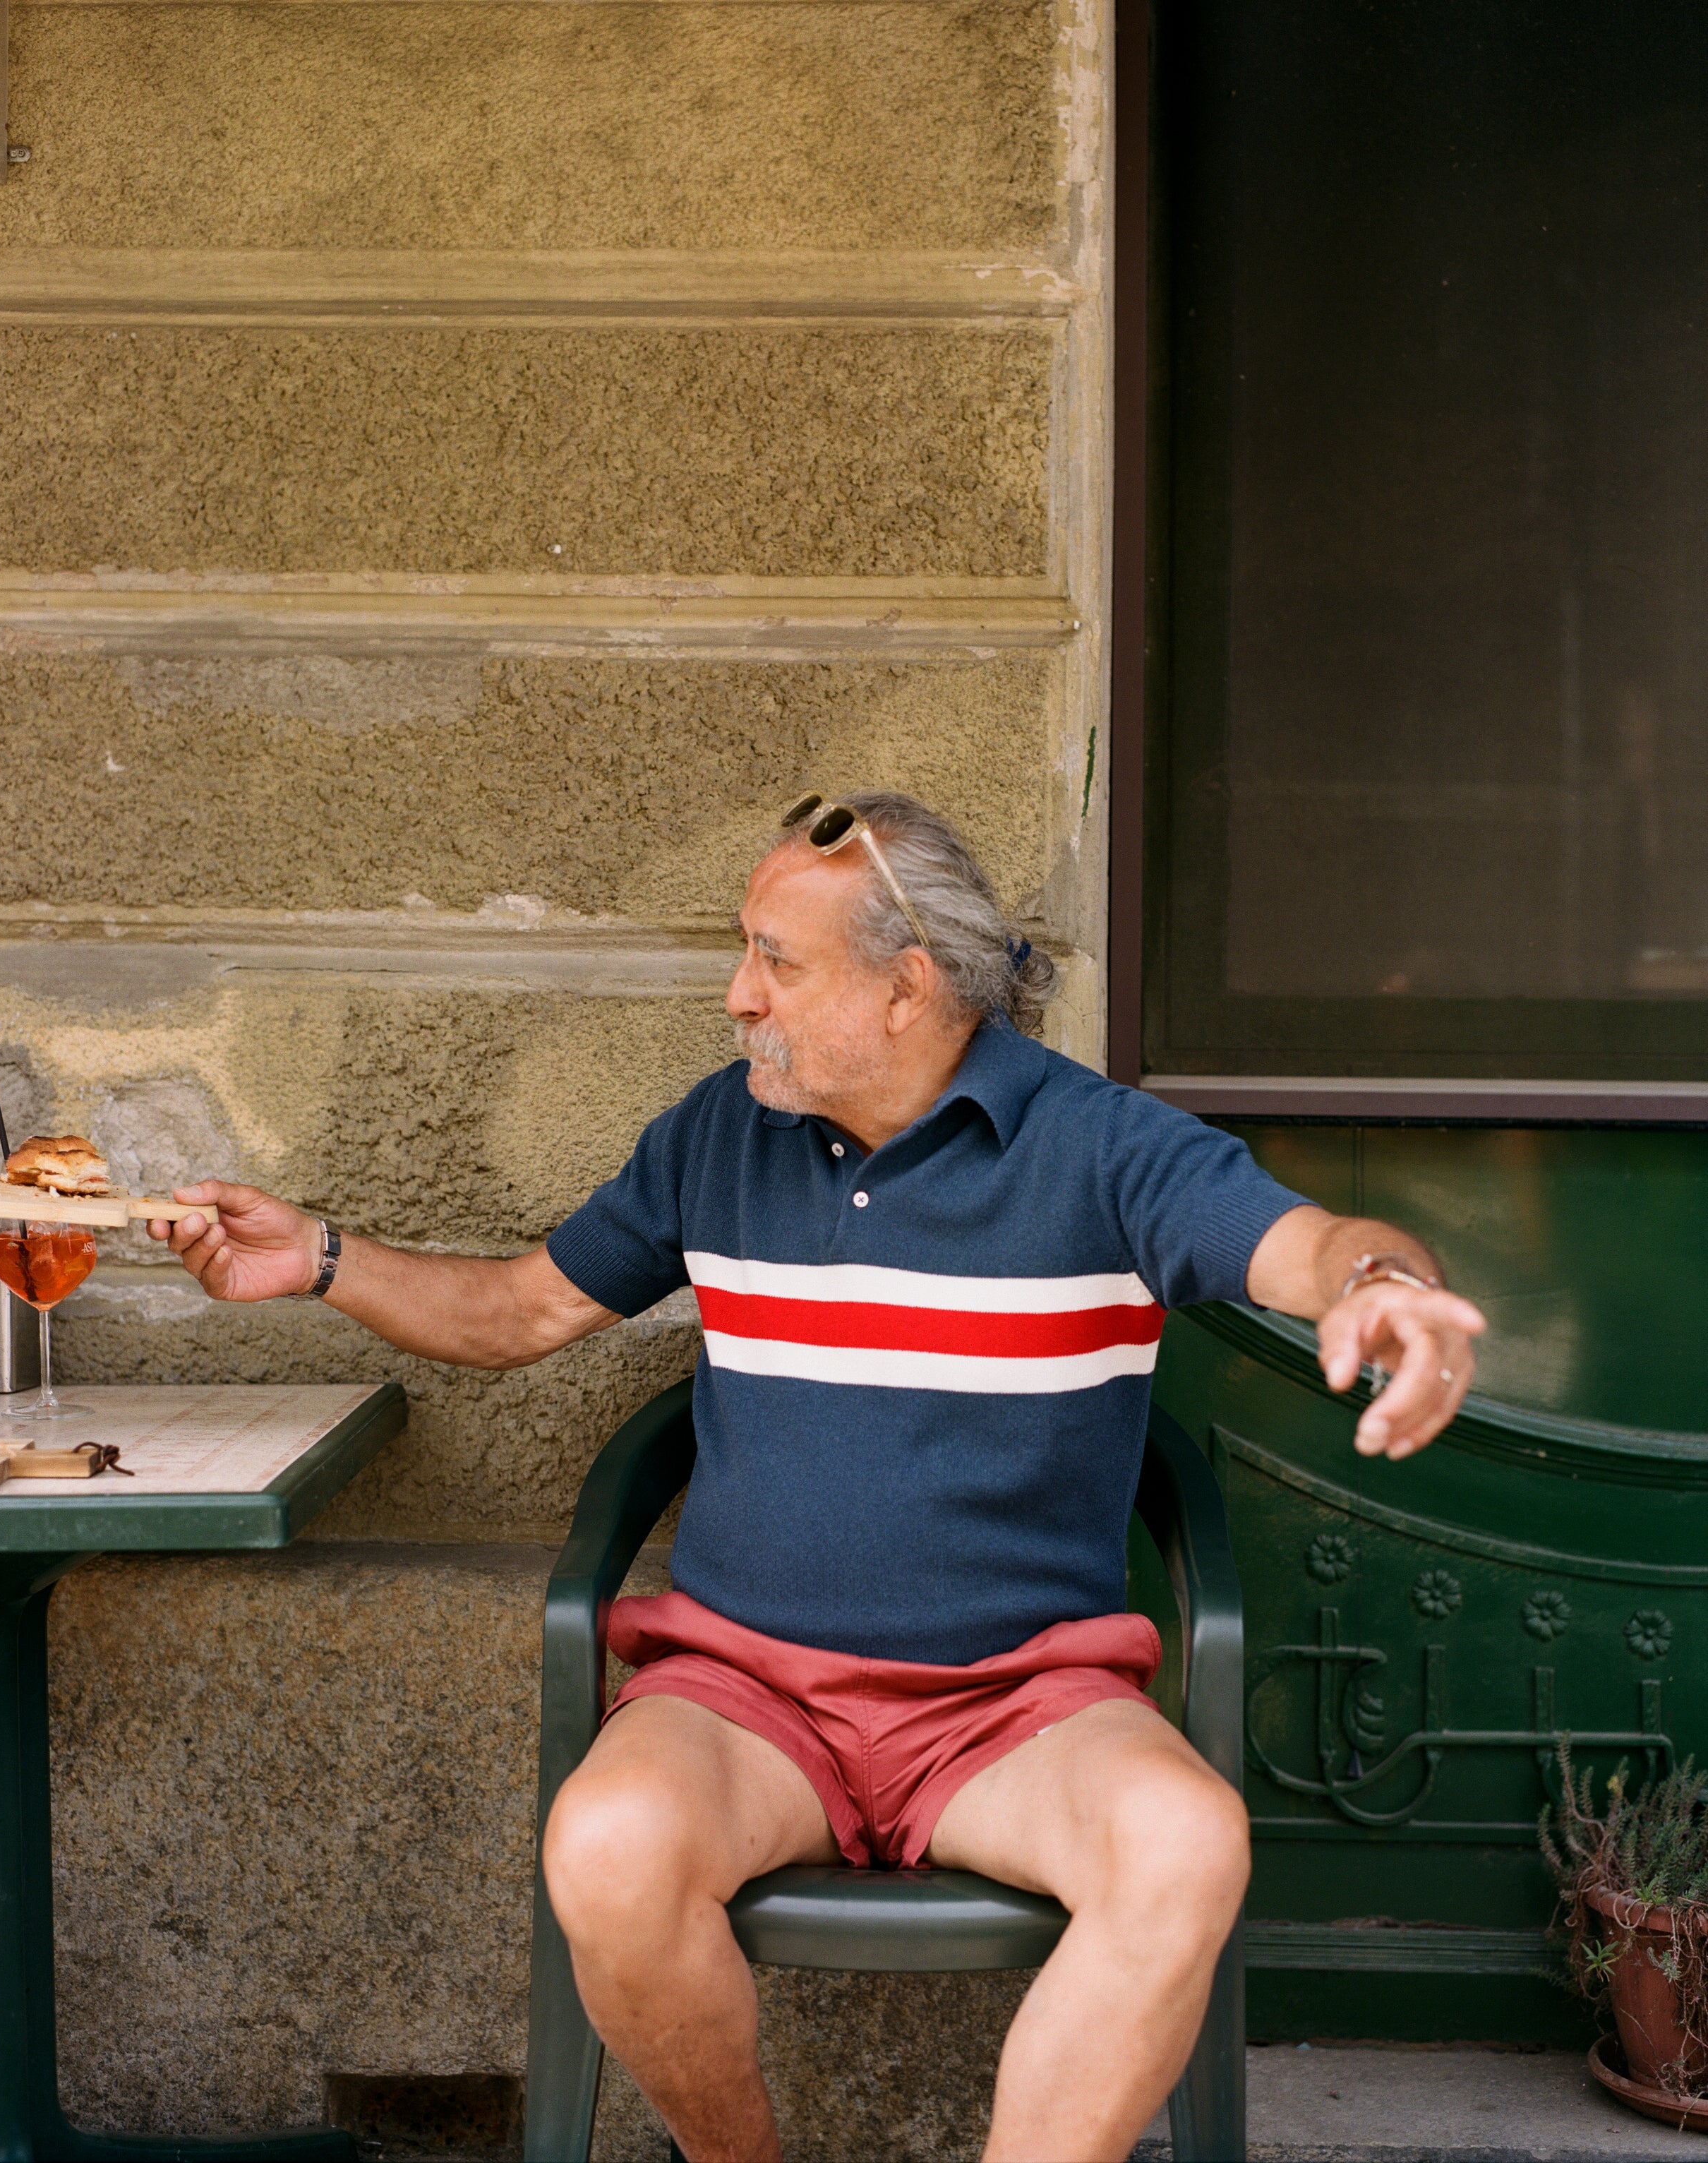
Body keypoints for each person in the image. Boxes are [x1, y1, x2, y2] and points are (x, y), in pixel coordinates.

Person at [152, 791, 1485, 2163]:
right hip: (746, 1693)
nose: (737, 997)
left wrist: (1382, 1290)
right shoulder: (714, 1137)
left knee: (1185, 1843)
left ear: (906, 985)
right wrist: (312, 1256)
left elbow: (1311, 1245)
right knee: (606, 1845)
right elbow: (514, 1312)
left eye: (774, 961)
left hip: (1013, 1710)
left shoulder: (1100, 1146)